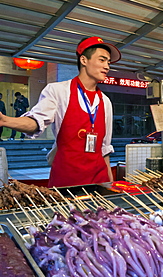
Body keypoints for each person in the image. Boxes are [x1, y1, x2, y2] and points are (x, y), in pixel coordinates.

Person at [0, 36, 121, 187]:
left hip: (99, 181)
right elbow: (36, 121)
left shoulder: (105, 101)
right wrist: (4, 120)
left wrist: (110, 187)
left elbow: (105, 150)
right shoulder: (58, 91)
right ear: (84, 60)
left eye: (108, 62)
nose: (107, 66)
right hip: (67, 181)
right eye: (102, 60)